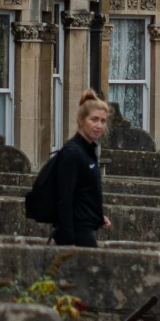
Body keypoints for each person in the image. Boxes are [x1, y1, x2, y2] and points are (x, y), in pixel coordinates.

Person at [49, 89, 114, 248]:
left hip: (85, 230)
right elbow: (63, 199)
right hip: (74, 235)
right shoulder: (72, 152)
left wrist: (95, 215)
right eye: (94, 120)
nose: (99, 126)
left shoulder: (87, 151)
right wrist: (67, 243)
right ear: (81, 120)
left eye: (103, 121)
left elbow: (82, 192)